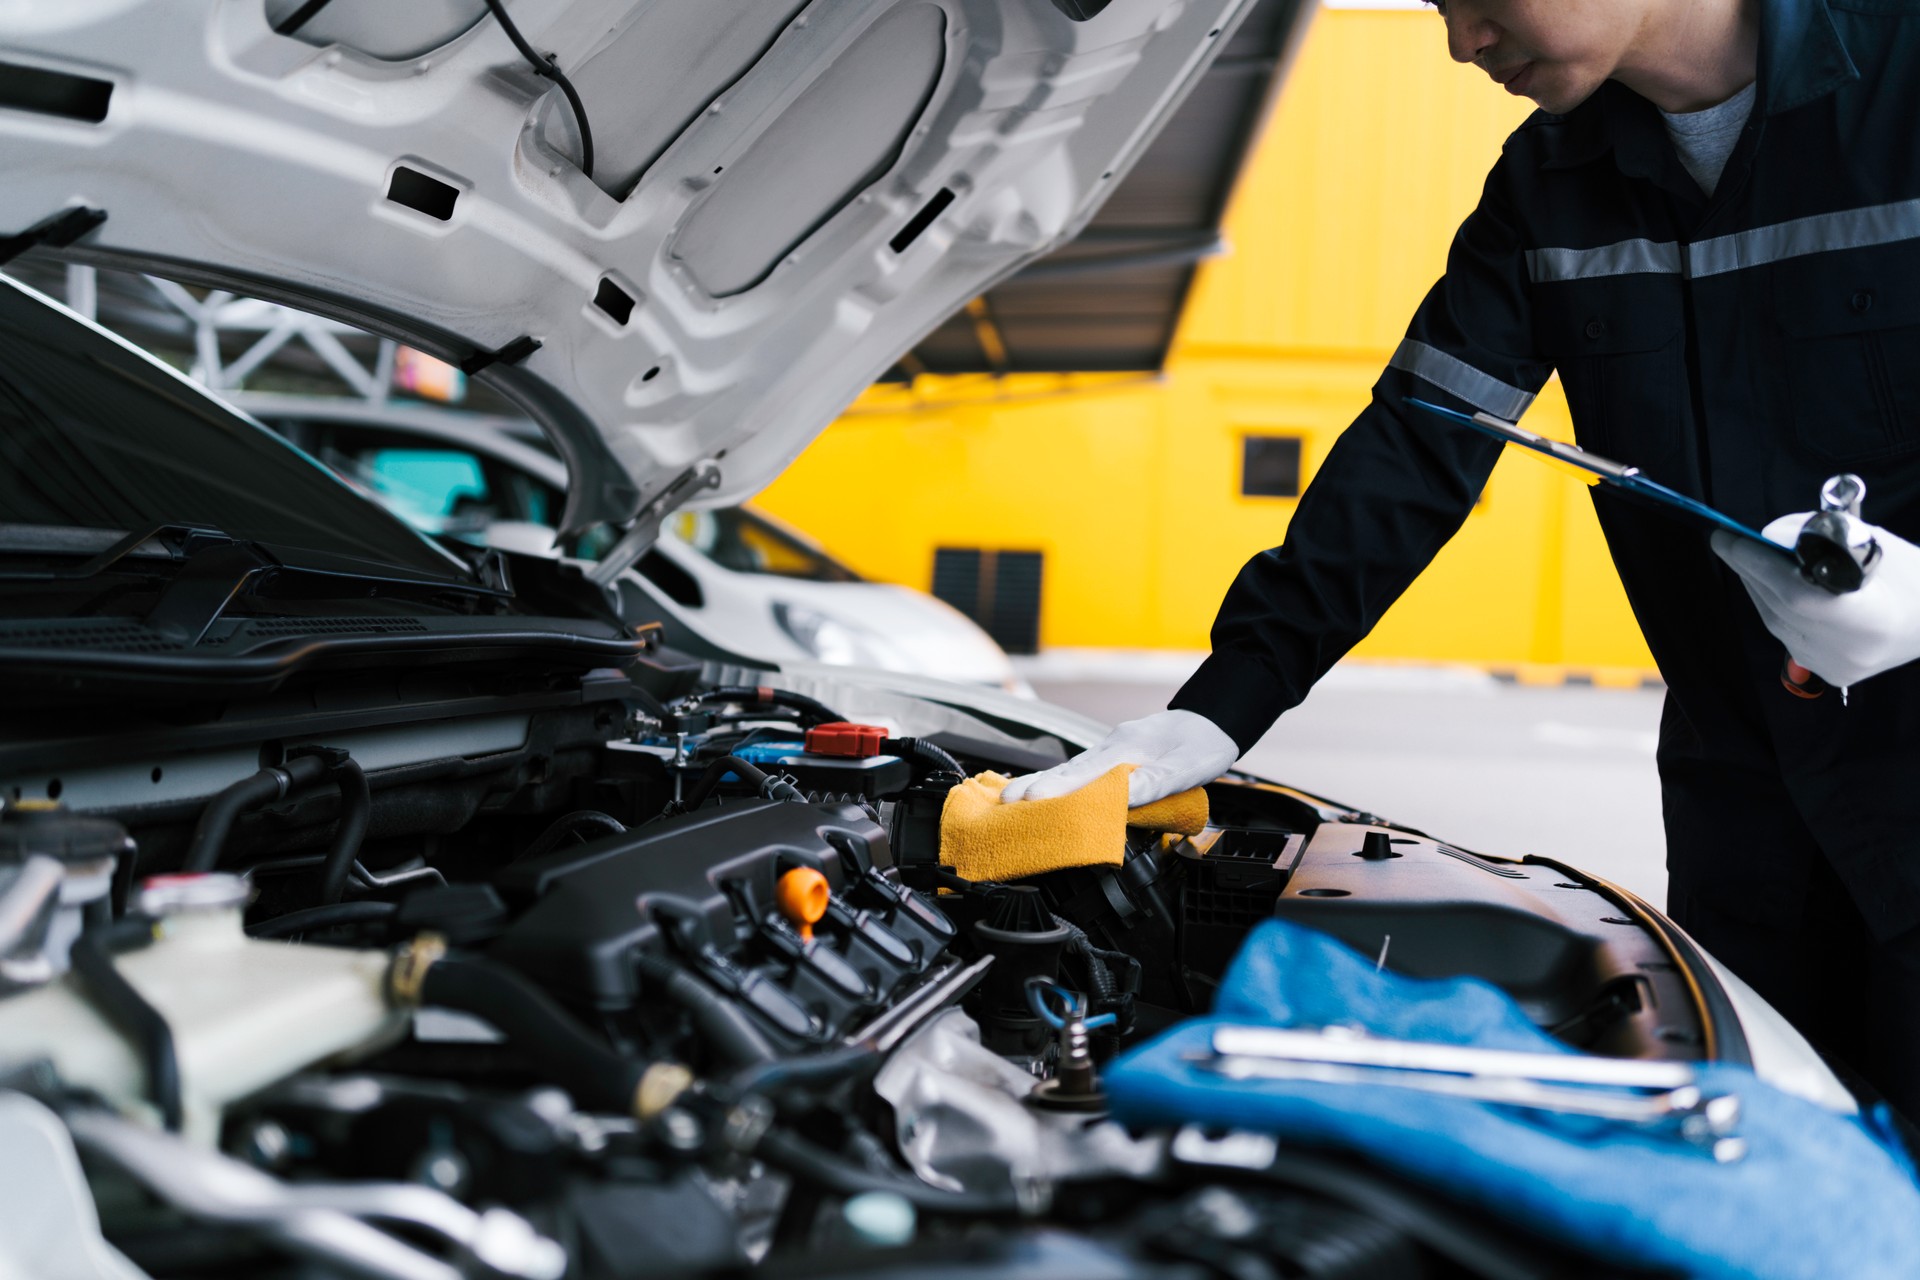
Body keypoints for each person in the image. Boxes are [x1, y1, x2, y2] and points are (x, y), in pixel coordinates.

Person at [1003, 0, 1920, 1119]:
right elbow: (1415, 451)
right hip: (1748, 804)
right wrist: (1220, 707)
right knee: (1781, 1166)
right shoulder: (1551, 187)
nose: (1461, 41)